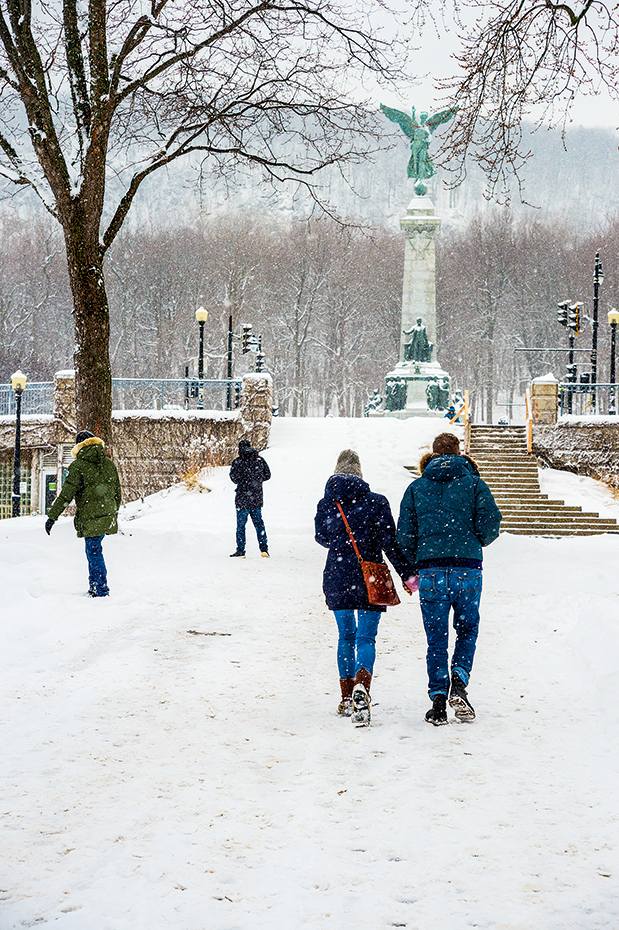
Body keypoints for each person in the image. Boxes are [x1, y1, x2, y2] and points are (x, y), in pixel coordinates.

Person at [396, 432, 501, 725]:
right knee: (467, 629)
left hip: (430, 570)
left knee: (436, 638)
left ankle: (438, 700)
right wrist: (474, 540)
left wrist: (419, 558)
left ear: (432, 454)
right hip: (467, 567)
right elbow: (491, 522)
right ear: (458, 452)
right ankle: (460, 680)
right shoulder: (475, 484)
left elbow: (403, 535)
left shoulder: (416, 488)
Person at [315, 449, 414, 727]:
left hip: (337, 575)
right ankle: (363, 687)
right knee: (366, 638)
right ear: (360, 474)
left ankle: (347, 696)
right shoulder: (377, 502)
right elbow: (389, 542)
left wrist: (340, 542)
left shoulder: (327, 504)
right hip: (370, 576)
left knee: (346, 636)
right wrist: (407, 574)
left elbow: (321, 537)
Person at [45, 430, 122, 597]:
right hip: (107, 515)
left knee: (94, 552)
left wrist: (52, 516)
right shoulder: (109, 464)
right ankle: (94, 586)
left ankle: (100, 588)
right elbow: (118, 493)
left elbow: (66, 495)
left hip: (91, 516)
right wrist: (112, 511)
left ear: (79, 446)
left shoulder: (78, 466)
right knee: (93, 550)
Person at [229, 438, 271, 558]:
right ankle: (264, 549)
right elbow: (268, 475)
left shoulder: (237, 461)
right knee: (259, 524)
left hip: (242, 498)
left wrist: (244, 480)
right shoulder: (259, 460)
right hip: (256, 497)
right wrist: (257, 480)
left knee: (241, 526)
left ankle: (241, 550)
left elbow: (234, 479)